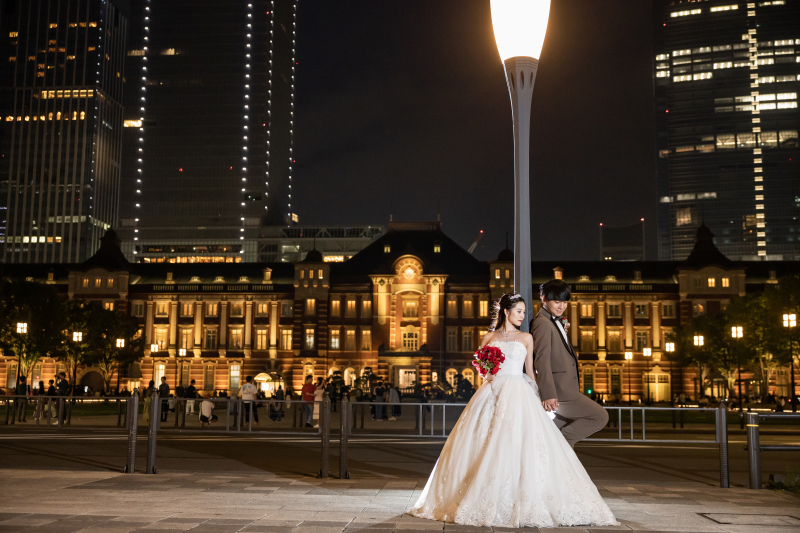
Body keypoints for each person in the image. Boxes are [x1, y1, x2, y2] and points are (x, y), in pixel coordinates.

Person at [409, 293, 617, 528]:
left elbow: (530, 370)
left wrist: (541, 396)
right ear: (506, 312)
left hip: (519, 391)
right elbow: (483, 370)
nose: (522, 316)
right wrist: (487, 371)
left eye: (524, 312)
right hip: (491, 391)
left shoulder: (526, 337)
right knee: (483, 440)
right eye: (519, 311)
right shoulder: (488, 337)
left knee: (519, 441)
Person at [532, 280, 609, 448]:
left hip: (565, 389)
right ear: (544, 299)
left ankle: (558, 462)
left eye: (565, 301)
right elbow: (542, 359)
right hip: (560, 392)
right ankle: (561, 442)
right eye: (557, 301)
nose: (561, 306)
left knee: (555, 433)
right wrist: (548, 393)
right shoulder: (542, 323)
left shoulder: (554, 321)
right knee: (600, 416)